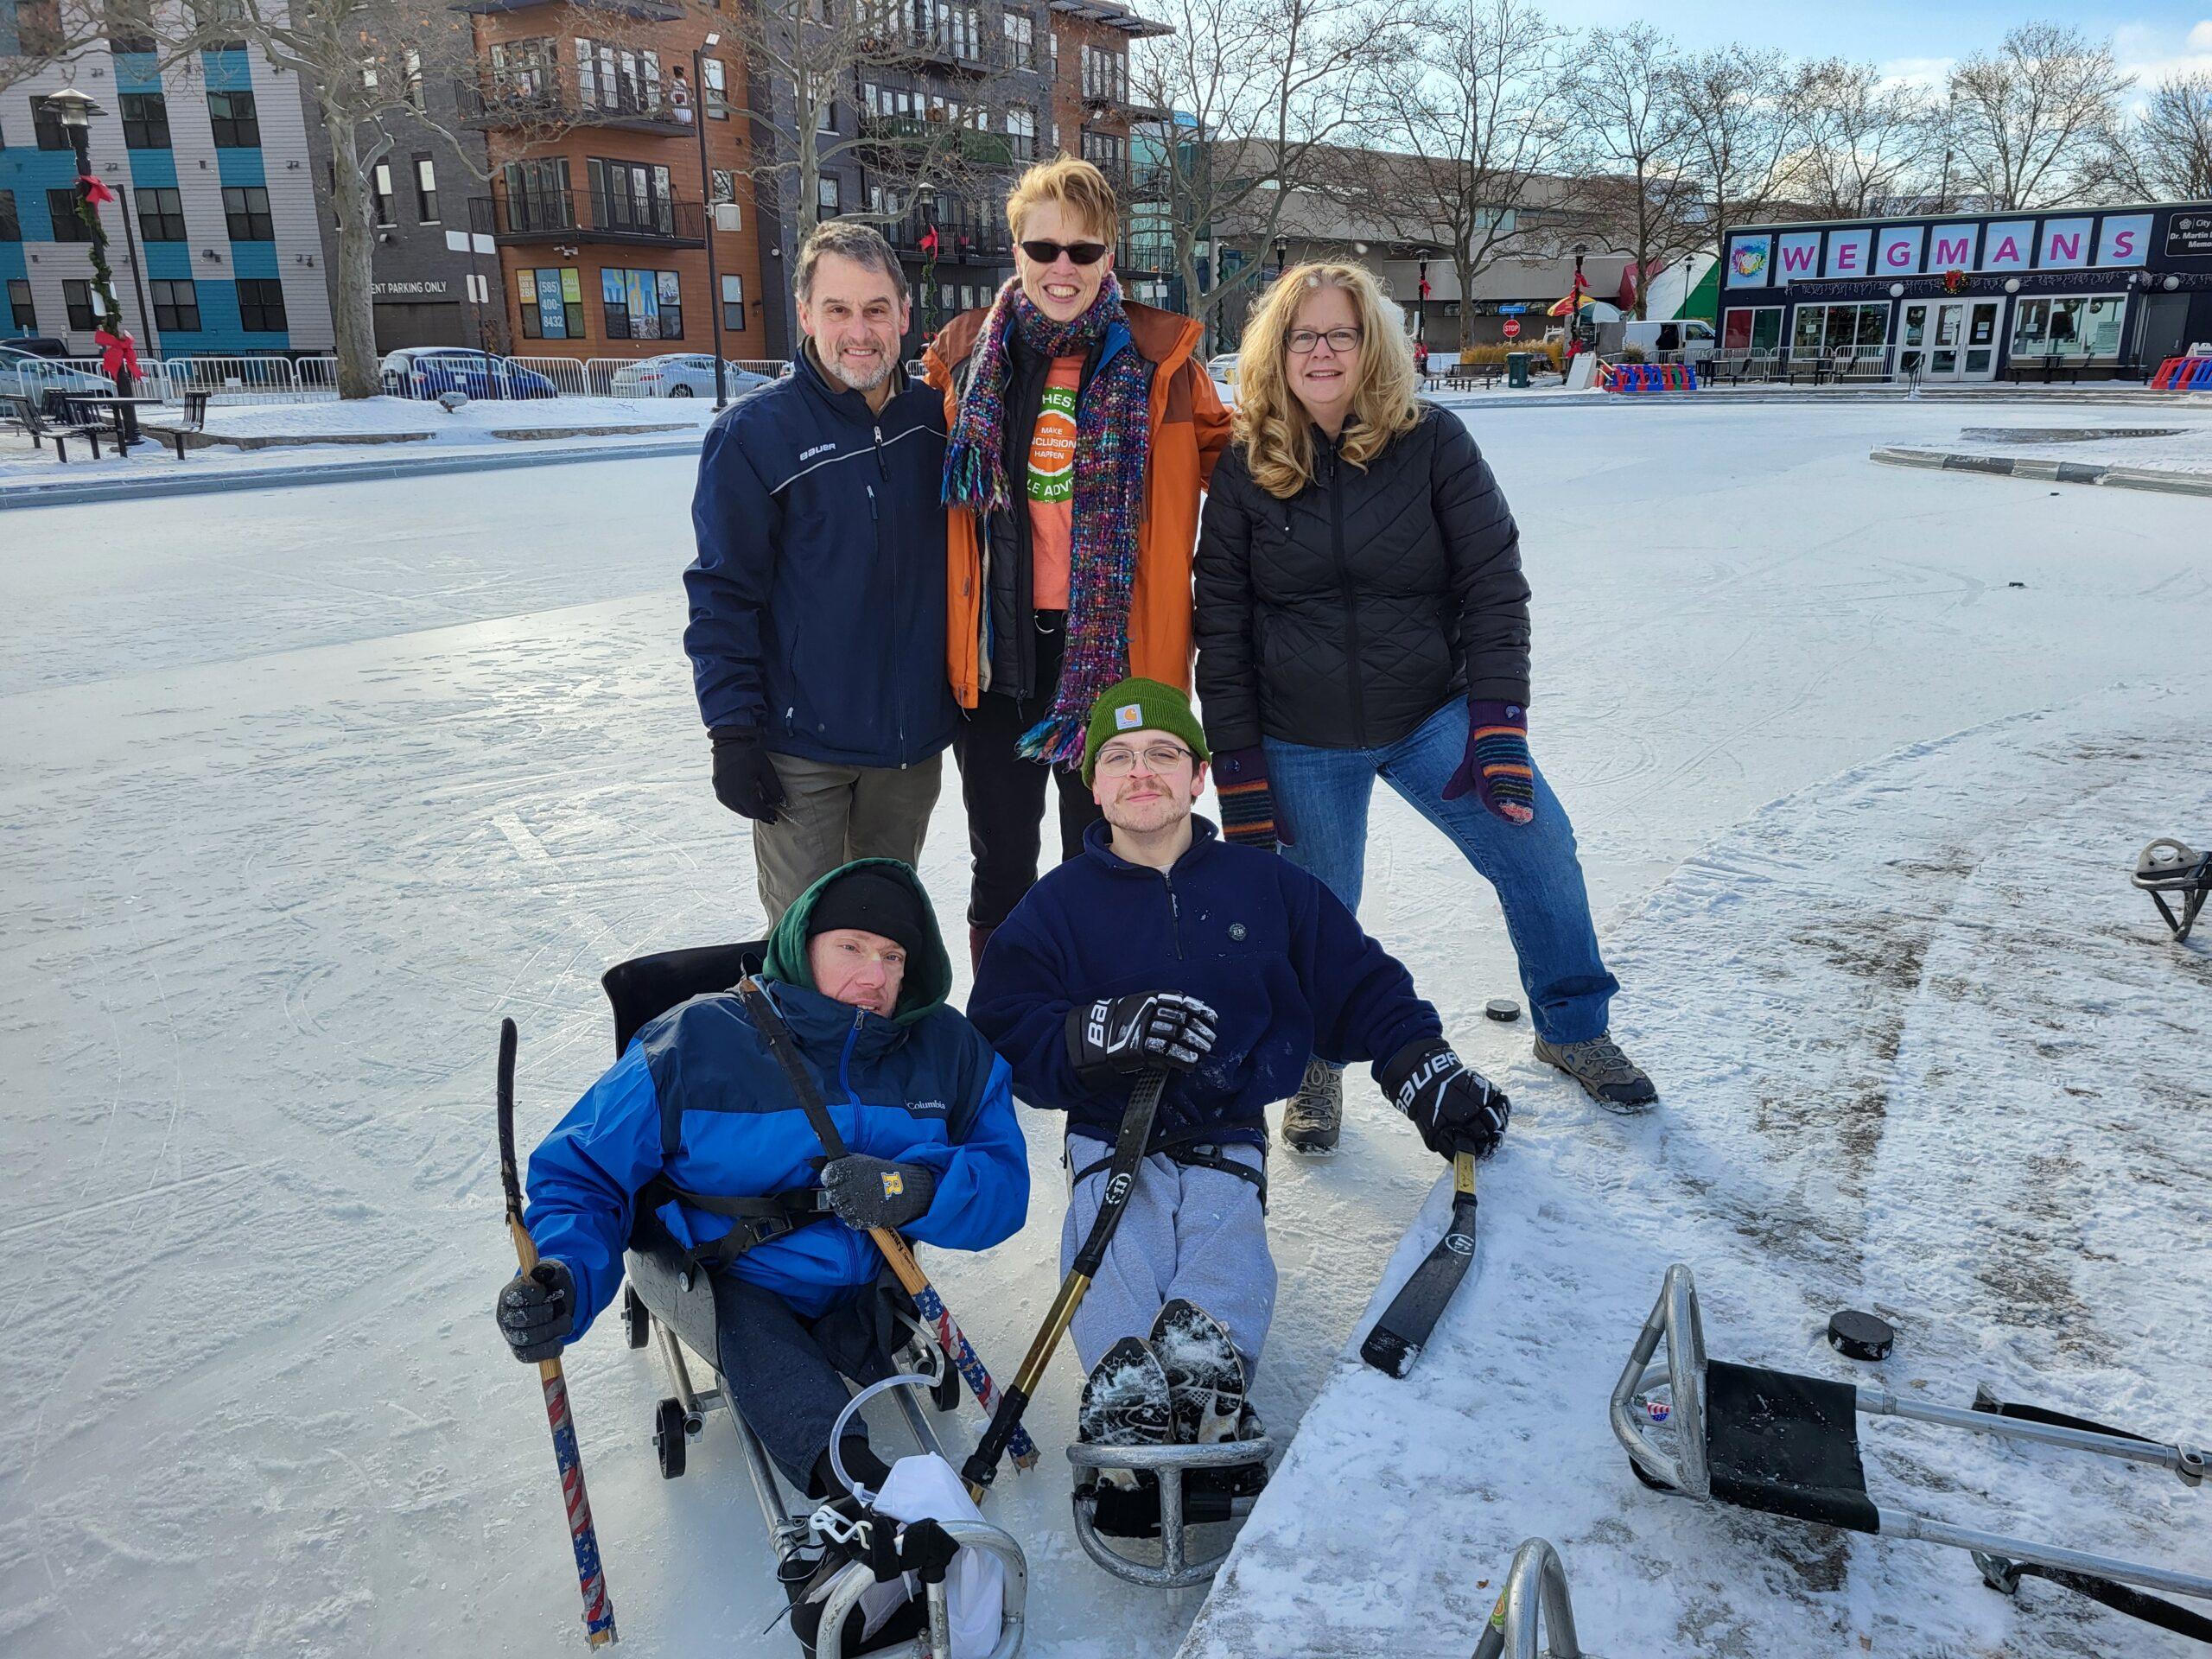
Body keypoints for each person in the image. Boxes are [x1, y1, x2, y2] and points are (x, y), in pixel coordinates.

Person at [967, 679, 1508, 1438]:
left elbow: (1356, 984)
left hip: (1225, 1129)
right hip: (1110, 1133)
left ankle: (1207, 1372)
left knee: (1226, 1241)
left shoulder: (1269, 887)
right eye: (1117, 758)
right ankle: (1129, 1391)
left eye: (1162, 753)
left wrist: (1422, 1067)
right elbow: (1001, 1024)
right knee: (1118, 1243)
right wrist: (1098, 1032)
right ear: (1093, 783)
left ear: (1197, 775)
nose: (1140, 771)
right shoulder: (1054, 907)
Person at [1193, 262, 1654, 1152]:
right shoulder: (1247, 468)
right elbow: (1223, 625)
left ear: (1374, 346)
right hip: (1300, 733)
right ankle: (1318, 1060)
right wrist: (1242, 772)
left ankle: (1573, 1028)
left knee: (1538, 844)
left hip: (1428, 714)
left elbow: (1492, 587)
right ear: (1276, 350)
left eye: (1342, 333)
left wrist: (1498, 730)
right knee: (1314, 912)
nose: (1322, 352)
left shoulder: (1432, 442)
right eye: (1303, 336)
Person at [494, 859, 1028, 1503]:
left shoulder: (947, 1048)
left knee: (860, 1327)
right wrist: (564, 1278)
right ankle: (852, 1491)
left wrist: (911, 1190)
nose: (873, 976)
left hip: (871, 1274)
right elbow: (584, 1173)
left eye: (893, 956)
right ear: (803, 947)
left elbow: (1004, 1182)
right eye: (850, 948)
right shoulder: (694, 1041)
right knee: (758, 1337)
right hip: (732, 1280)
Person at [926, 156, 1232, 972]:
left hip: (1116, 653)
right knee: (1002, 859)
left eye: (1084, 251)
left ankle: (1109, 1005)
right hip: (996, 656)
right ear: (1017, 249)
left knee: (1103, 848)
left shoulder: (1166, 366)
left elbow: (1247, 479)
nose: (1063, 267)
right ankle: (1006, 1014)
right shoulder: (961, 364)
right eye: (1045, 246)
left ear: (1111, 255)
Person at [686, 221, 954, 926]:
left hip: (908, 749)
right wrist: (732, 732)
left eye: (874, 309)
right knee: (808, 949)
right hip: (801, 753)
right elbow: (722, 594)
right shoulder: (753, 436)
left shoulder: (937, 421)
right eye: (837, 309)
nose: (857, 331)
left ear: (903, 313)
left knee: (886, 937)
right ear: (806, 315)